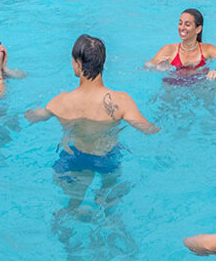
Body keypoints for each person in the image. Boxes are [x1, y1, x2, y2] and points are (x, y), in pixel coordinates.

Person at [26, 34, 159, 184]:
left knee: (73, 204)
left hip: (74, 157)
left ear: (78, 63)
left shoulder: (60, 102)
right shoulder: (121, 101)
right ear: (102, 63)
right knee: (108, 200)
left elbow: (33, 117)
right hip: (106, 158)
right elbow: (148, 129)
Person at [148, 8, 216, 81]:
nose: (182, 28)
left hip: (200, 85)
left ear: (198, 29)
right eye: (180, 23)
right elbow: (147, 67)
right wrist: (159, 68)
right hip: (173, 86)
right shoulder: (169, 50)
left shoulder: (208, 49)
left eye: (187, 24)